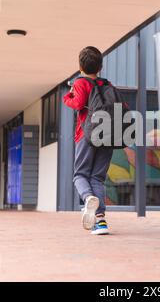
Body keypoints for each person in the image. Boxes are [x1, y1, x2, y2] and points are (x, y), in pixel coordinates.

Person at [63, 46, 113, 235]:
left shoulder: (80, 83)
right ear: (100, 67)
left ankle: (88, 197)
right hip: (107, 136)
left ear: (80, 66)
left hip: (86, 134)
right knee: (97, 177)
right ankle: (100, 222)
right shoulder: (107, 84)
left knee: (80, 175)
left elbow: (76, 103)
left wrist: (67, 96)